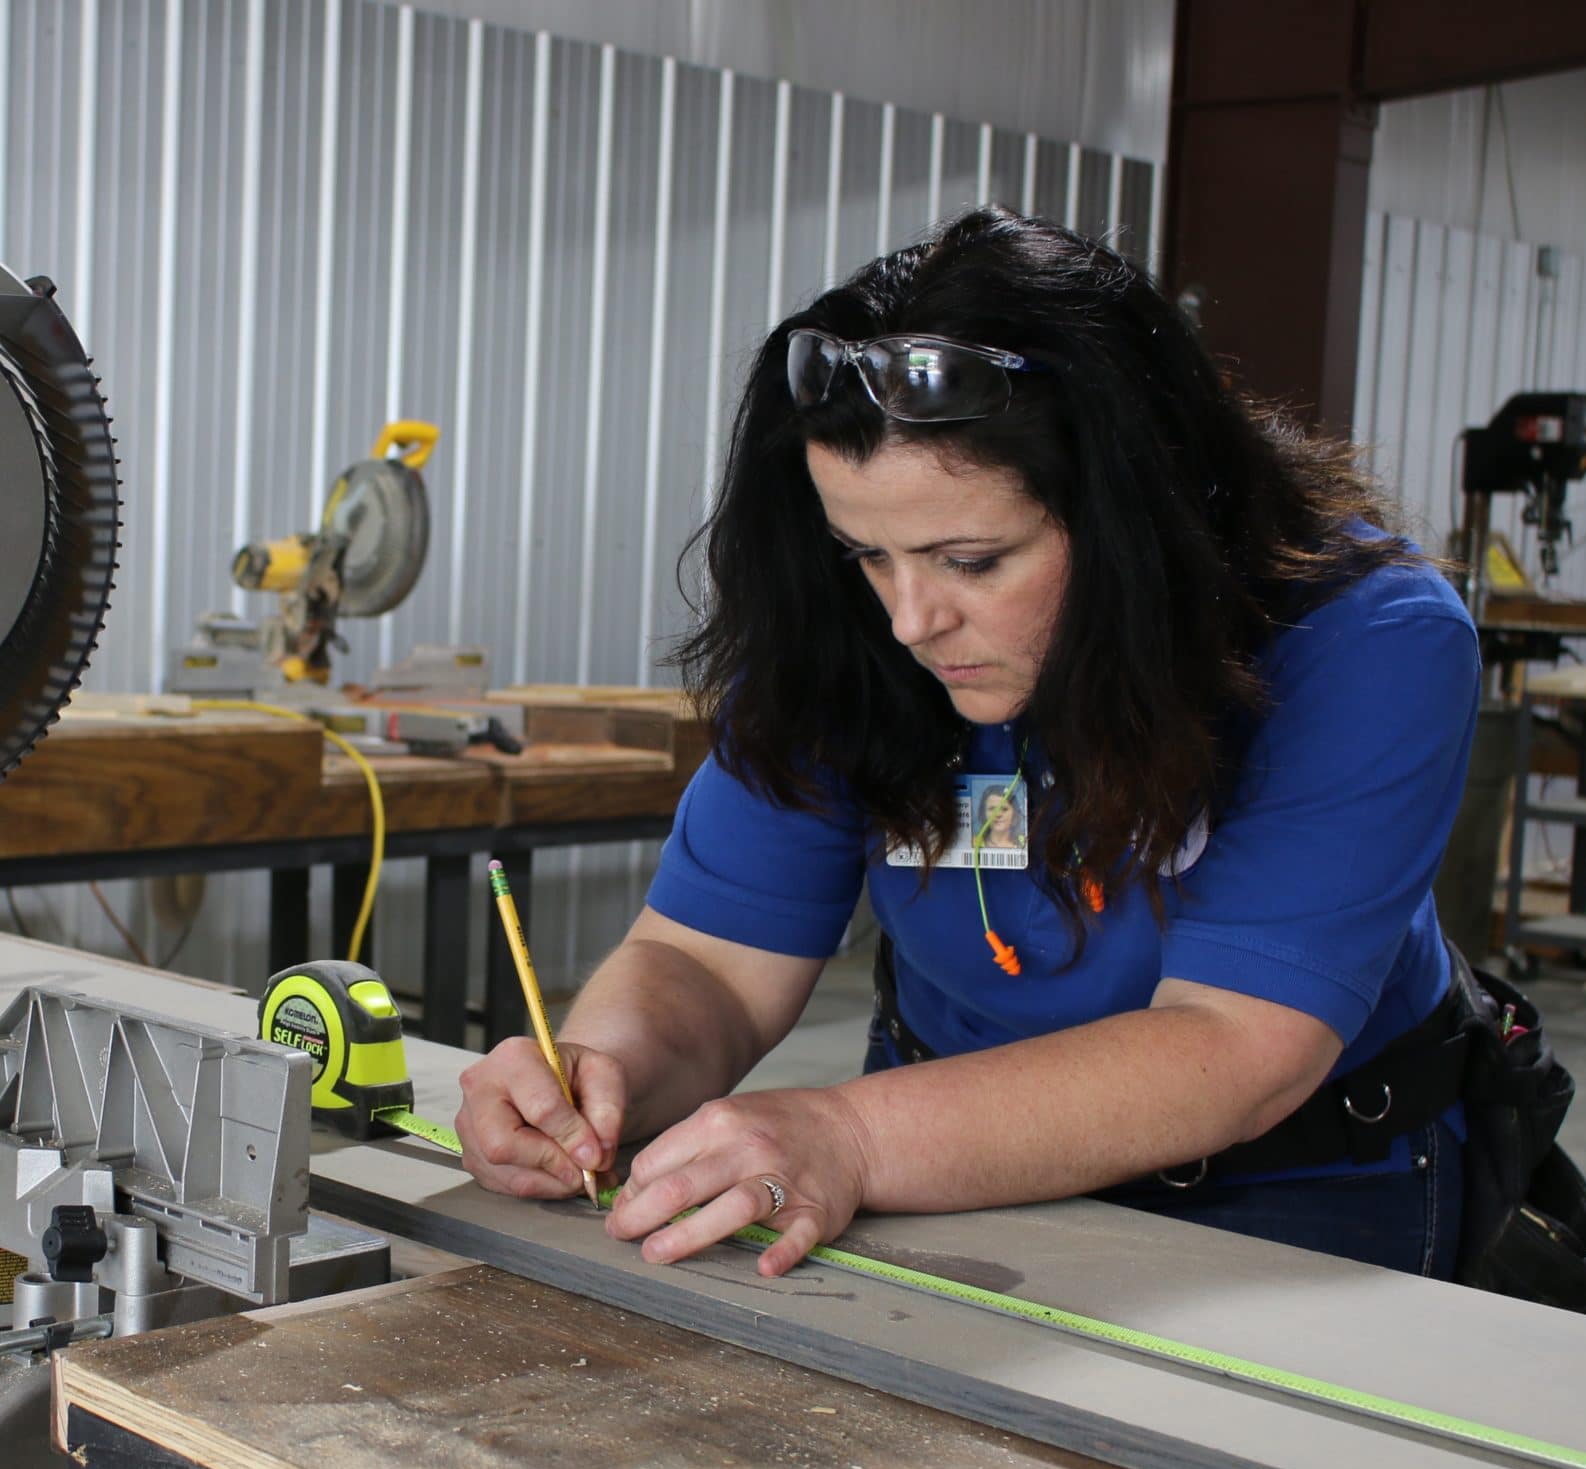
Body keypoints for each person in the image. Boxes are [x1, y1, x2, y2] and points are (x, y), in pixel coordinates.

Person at [456, 208, 1483, 1282]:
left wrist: (850, 1138)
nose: (910, 620)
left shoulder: (1365, 640)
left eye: (973, 561)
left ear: (1141, 521)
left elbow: (1235, 1048)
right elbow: (706, 963)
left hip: (1292, 1192)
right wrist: (600, 1074)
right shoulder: (848, 635)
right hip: (933, 1167)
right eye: (866, 553)